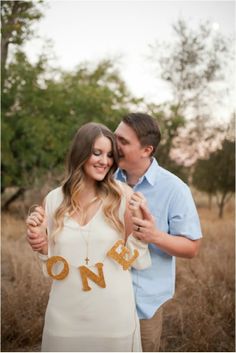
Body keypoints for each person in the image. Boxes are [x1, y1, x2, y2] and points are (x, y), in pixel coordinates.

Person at [27, 113, 202, 352]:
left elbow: (189, 248)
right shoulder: (64, 195)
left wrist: (151, 235)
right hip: (71, 311)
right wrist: (42, 243)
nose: (112, 153)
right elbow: (56, 261)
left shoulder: (164, 190)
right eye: (105, 148)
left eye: (120, 144)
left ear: (146, 150)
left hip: (136, 305)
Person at [26, 122, 152, 352]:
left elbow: (129, 260)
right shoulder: (54, 200)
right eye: (97, 153)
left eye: (110, 155)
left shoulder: (122, 196)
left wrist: (142, 230)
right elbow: (54, 266)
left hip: (112, 318)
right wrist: (41, 245)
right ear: (80, 152)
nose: (105, 161)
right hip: (63, 318)